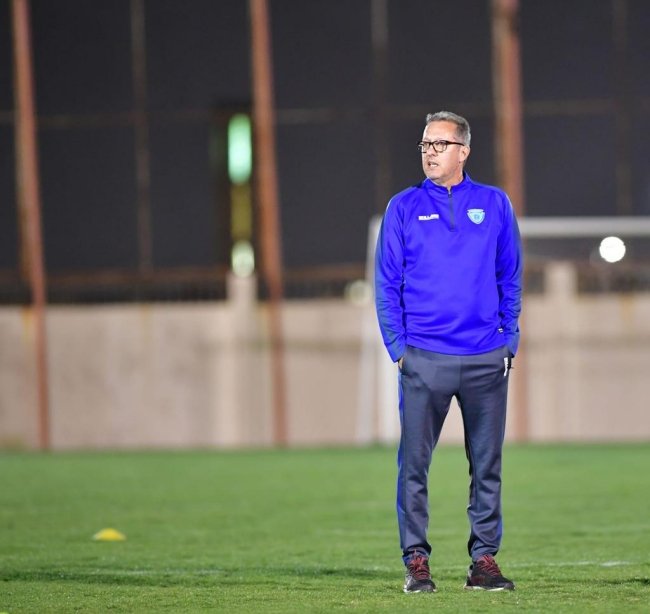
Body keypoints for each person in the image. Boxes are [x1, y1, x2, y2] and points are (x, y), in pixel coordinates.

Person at [374, 111, 522, 593]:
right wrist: (399, 350)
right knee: (414, 468)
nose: (429, 152)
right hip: (424, 358)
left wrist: (509, 339)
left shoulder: (495, 204)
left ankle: (484, 562)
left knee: (487, 466)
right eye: (425, 144)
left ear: (464, 151)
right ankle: (416, 562)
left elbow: (510, 276)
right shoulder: (402, 207)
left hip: (485, 358)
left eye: (439, 144)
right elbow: (386, 283)